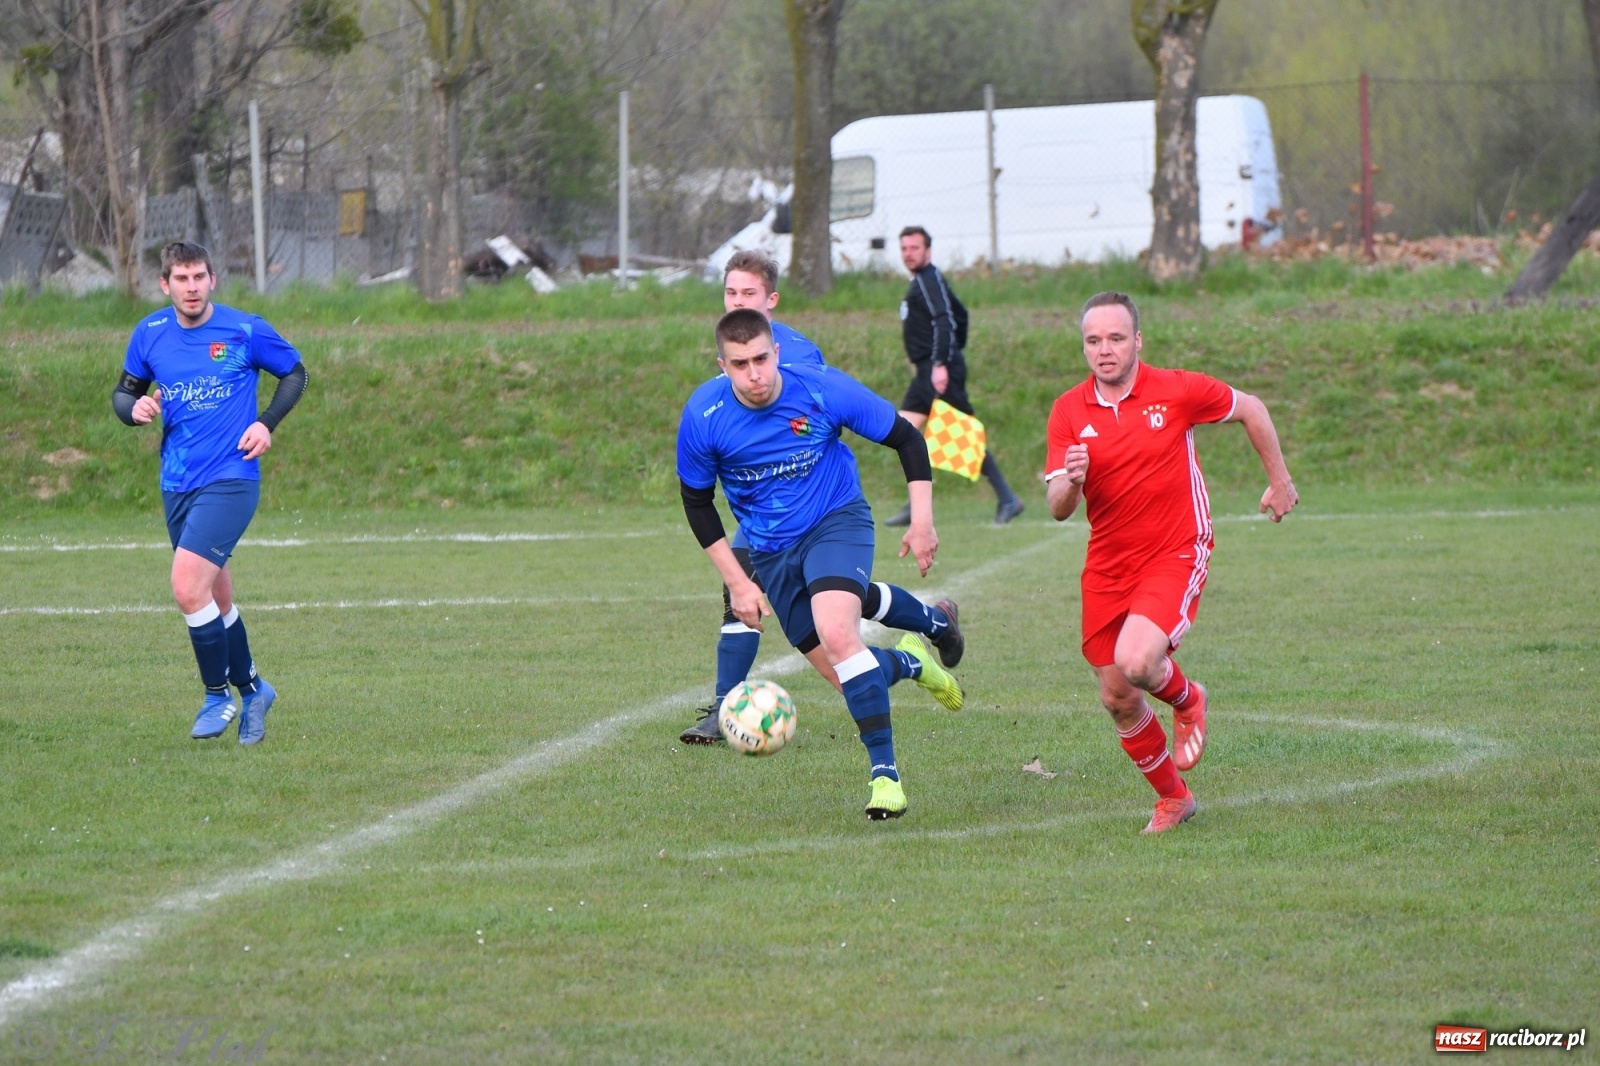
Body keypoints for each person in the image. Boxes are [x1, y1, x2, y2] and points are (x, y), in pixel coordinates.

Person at [677, 309, 967, 819]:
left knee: (837, 632)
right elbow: (697, 503)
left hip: (836, 520)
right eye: (740, 364)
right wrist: (738, 582)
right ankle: (913, 657)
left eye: (761, 359)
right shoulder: (704, 415)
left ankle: (885, 777)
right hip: (770, 551)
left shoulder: (819, 388)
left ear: (776, 352)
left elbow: (906, 438)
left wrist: (922, 521)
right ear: (722, 366)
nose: (755, 374)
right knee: (846, 675)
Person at [1045, 291, 1297, 833]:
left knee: (1138, 662)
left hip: (1175, 548)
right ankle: (1174, 799)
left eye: (1116, 338)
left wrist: (1279, 480)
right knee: (1117, 694)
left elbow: (1251, 407)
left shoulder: (1177, 390)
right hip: (1108, 561)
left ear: (1137, 341)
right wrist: (1073, 479)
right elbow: (1059, 507)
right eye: (1093, 341)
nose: (1105, 350)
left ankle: (1189, 698)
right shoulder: (1068, 410)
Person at [113, 241, 307, 744]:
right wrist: (133, 409)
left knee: (186, 586)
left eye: (199, 276)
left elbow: (295, 372)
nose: (192, 287)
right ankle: (255, 690)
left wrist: (266, 423)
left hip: (231, 477)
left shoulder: (244, 329)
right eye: (181, 278)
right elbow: (124, 392)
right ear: (165, 284)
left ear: (213, 279)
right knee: (216, 597)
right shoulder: (150, 333)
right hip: (177, 481)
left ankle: (217, 695)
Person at [884, 225, 1024, 527]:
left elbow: (945, 319)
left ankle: (1008, 499)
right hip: (929, 371)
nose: (909, 254)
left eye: (915, 248)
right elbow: (961, 313)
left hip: (938, 371)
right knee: (902, 431)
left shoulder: (928, 279)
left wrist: (941, 362)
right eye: (904, 248)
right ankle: (916, 506)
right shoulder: (924, 281)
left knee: (960, 434)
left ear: (928, 251)